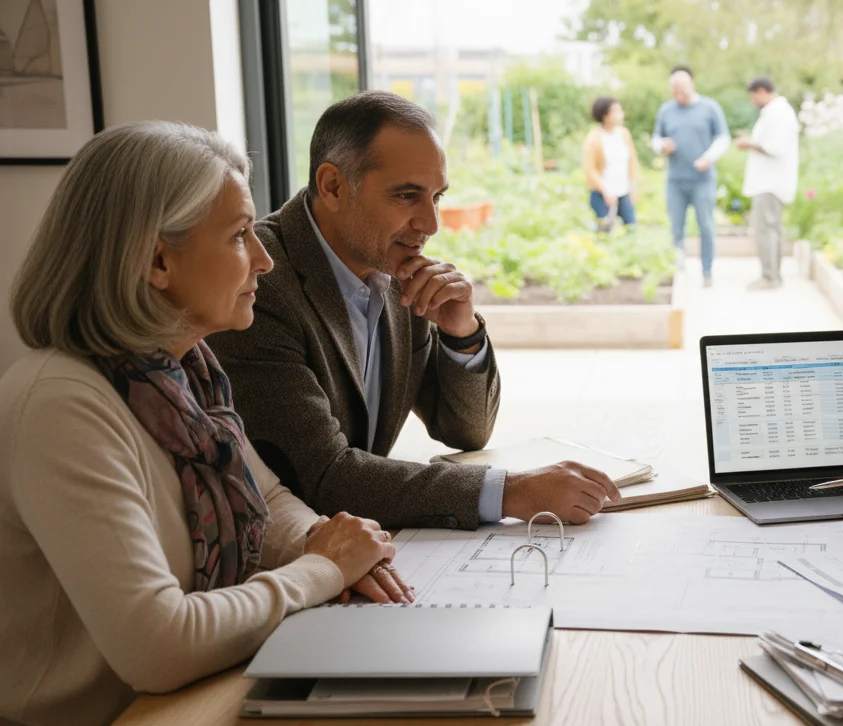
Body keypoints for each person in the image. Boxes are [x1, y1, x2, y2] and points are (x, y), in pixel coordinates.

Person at [0, 122, 412, 726]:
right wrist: (324, 568)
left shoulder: (180, 372)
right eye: (238, 234)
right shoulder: (61, 404)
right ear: (157, 261)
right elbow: (159, 644)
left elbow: (270, 500)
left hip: (175, 711)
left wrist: (321, 539)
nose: (265, 259)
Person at [210, 91, 620, 532]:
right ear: (331, 186)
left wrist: (462, 333)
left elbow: (466, 431)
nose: (431, 224)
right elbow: (323, 477)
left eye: (436, 197)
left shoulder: (396, 272)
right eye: (407, 196)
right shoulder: (259, 283)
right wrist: (512, 491)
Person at [652, 65, 730, 287]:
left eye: (683, 90)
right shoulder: (666, 110)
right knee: (676, 228)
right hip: (676, 180)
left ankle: (707, 271)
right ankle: (678, 270)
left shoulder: (709, 108)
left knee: (705, 226)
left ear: (692, 85)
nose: (680, 95)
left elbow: (723, 138)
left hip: (702, 180)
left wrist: (709, 157)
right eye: (675, 91)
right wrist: (661, 147)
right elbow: (656, 138)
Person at [735, 76, 799, 290]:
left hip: (770, 183)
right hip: (771, 182)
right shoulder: (776, 112)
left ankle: (769, 278)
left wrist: (748, 144)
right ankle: (773, 276)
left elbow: (775, 147)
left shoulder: (779, 113)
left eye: (753, 96)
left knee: (766, 230)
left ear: (761, 91)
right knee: (772, 230)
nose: (753, 101)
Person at [582, 96, 639, 232]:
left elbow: (632, 161)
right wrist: (605, 191)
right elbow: (590, 170)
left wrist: (633, 186)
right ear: (605, 115)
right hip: (602, 194)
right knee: (604, 232)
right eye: (616, 111)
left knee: (631, 228)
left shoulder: (624, 134)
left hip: (624, 191)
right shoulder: (593, 139)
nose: (621, 115)